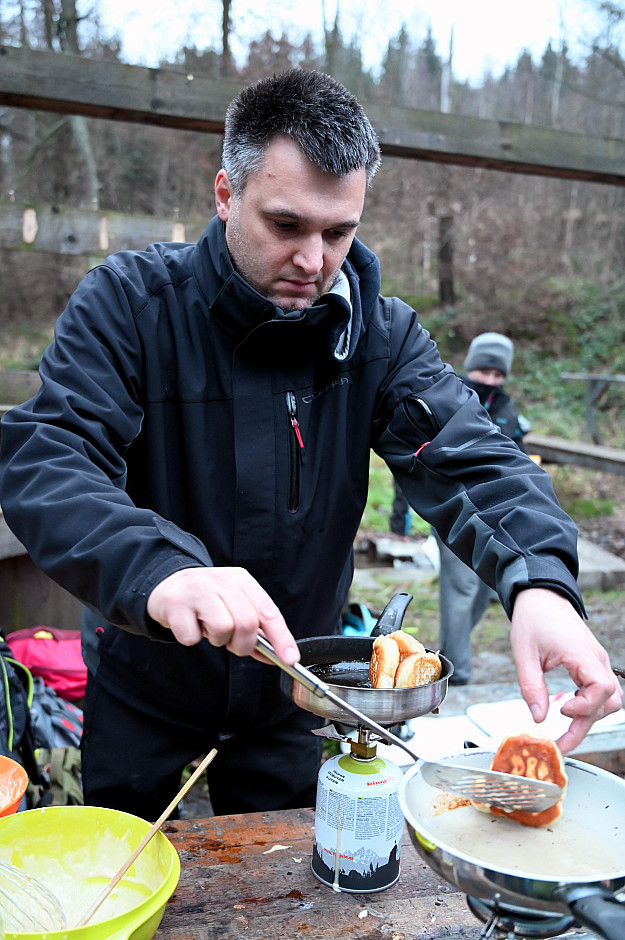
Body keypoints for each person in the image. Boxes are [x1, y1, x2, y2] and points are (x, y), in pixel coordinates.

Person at [0, 69, 620, 821]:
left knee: (292, 888)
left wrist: (539, 582)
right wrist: (158, 570)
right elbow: (49, 457)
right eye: (286, 225)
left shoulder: (383, 339)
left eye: (339, 232)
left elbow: (476, 461)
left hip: (295, 693)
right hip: (145, 683)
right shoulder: (129, 304)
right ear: (225, 194)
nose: (312, 261)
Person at [435, 332, 528, 685]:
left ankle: (449, 652)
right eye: (484, 371)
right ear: (471, 367)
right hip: (454, 508)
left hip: (498, 513)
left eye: (497, 374)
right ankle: (458, 674)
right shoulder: (449, 397)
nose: (490, 380)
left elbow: (518, 460)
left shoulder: (507, 409)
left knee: (483, 590)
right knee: (460, 588)